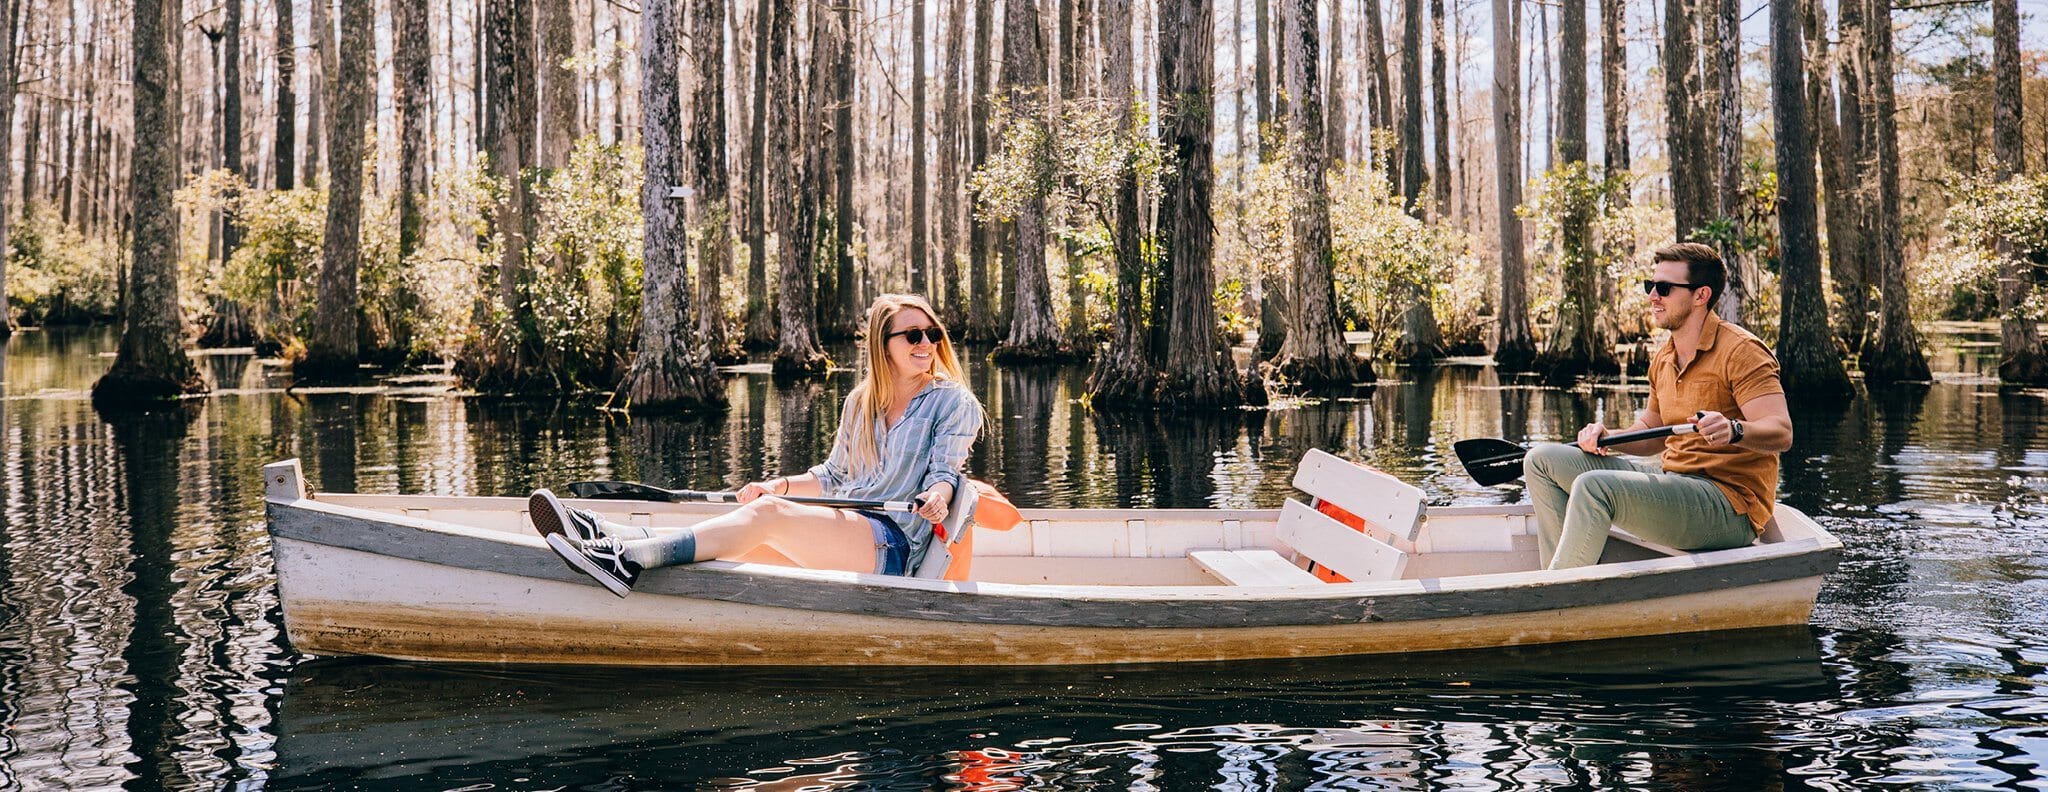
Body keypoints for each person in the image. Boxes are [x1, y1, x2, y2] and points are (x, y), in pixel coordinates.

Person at [529, 293, 984, 596]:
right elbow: (833, 477)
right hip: (845, 528)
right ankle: (609, 537)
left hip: (894, 545)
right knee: (738, 538)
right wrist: (777, 486)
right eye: (913, 335)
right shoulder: (861, 403)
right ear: (884, 346)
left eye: (933, 334)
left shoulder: (951, 401)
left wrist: (936, 499)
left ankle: (626, 559)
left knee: (765, 519)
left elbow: (946, 475)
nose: (927, 343)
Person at [1524, 242, 1793, 570]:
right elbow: (1652, 431)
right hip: (1675, 483)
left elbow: (1781, 432)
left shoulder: (1742, 352)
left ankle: (1558, 600)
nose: (1653, 296)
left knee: (1593, 487)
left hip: (1730, 506)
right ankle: (1560, 576)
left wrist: (1734, 429)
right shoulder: (1665, 356)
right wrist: (1609, 435)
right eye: (1650, 286)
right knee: (1542, 460)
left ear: (1700, 295)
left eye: (1664, 288)